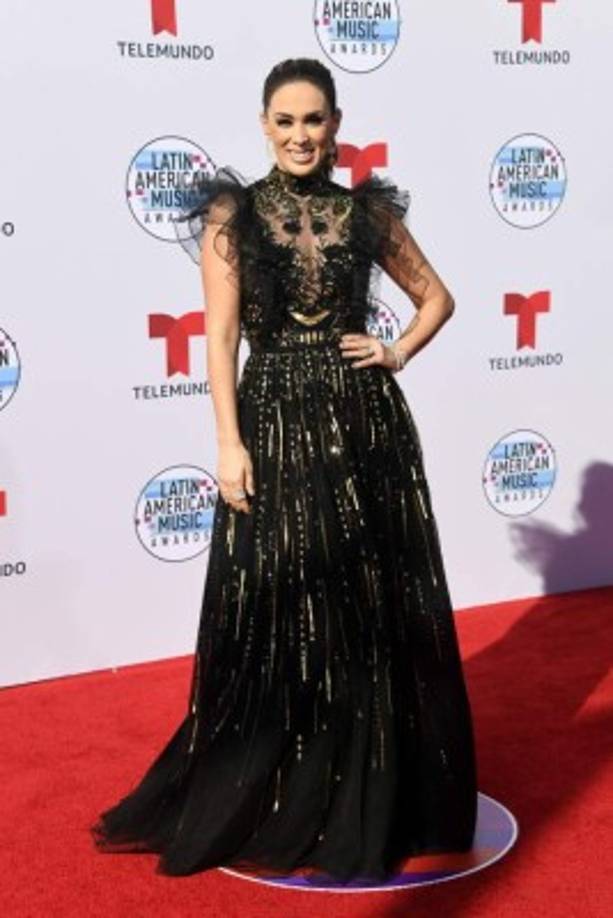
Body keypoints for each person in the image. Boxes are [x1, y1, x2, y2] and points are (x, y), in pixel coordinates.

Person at [91, 57, 478, 884]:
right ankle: (285, 784)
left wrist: (395, 350)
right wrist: (228, 444)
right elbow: (222, 338)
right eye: (285, 121)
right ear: (265, 125)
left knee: (363, 603)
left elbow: (437, 298)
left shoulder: (364, 211)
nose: (300, 135)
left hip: (362, 422)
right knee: (281, 602)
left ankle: (367, 789)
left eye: (314, 120)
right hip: (270, 416)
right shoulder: (234, 213)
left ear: (335, 124)